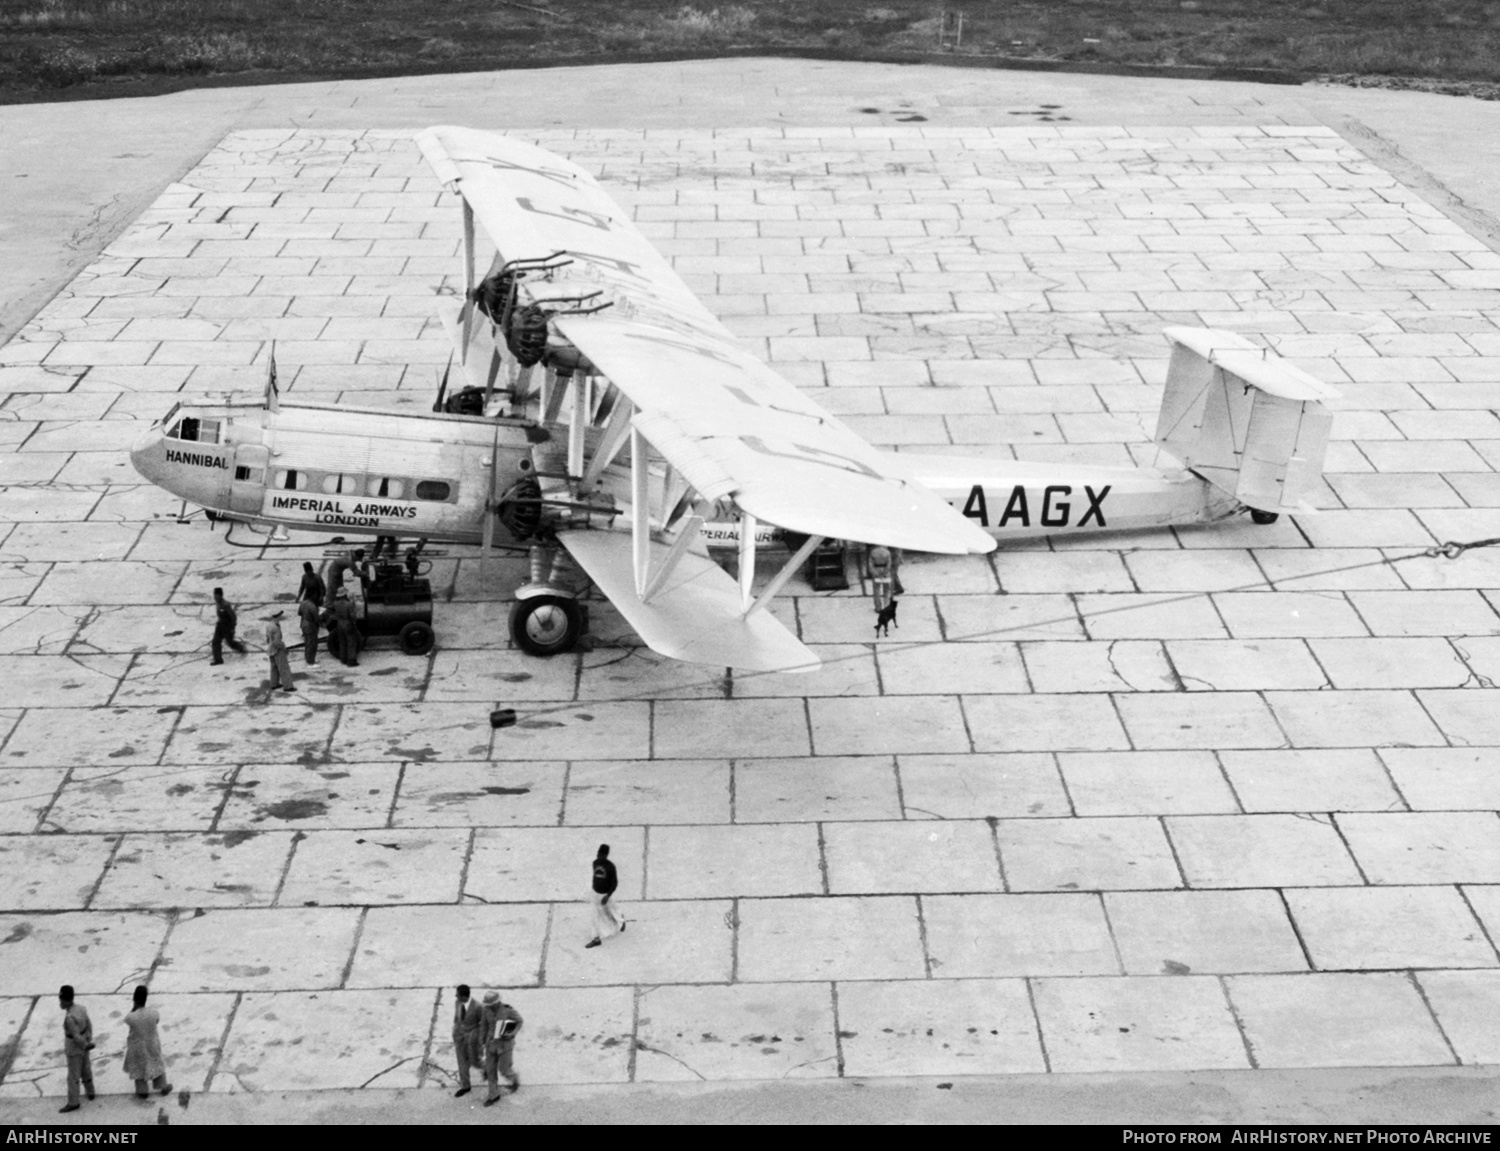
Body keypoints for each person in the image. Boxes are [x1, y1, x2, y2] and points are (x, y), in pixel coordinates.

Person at [122, 985, 172, 1101]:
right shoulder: (153, 1012)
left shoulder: (131, 1017)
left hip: (137, 1046)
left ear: (134, 998)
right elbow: (157, 1021)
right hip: (152, 1044)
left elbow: (128, 1020)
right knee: (156, 1064)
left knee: (139, 1068)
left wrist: (134, 1007)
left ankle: (142, 1091)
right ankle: (163, 1087)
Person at [480, 991, 522, 1106]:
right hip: (491, 1045)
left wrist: (513, 1033)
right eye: (488, 1005)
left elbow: (519, 1021)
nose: (490, 1006)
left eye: (491, 1004)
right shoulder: (486, 1011)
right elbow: (484, 1026)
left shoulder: (508, 1010)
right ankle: (493, 1095)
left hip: (505, 1045)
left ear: (497, 1002)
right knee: (490, 1071)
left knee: (504, 1070)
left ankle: (514, 1079)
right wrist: (482, 1041)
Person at [57, 985, 94, 1114]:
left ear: (64, 1000)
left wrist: (84, 1044)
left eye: (60, 1000)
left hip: (74, 1049)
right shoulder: (82, 1009)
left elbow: (76, 1036)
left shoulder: (69, 1018)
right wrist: (88, 1040)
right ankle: (90, 1091)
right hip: (85, 1044)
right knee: (86, 1070)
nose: (60, 1003)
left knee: (73, 1076)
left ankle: (73, 1102)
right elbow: (89, 1025)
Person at [584, 843, 625, 949]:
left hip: (605, 895)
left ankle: (620, 920)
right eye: (598, 853)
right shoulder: (595, 863)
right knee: (594, 916)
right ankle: (596, 939)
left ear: (606, 855)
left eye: (601, 854)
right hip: (595, 894)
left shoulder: (611, 867)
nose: (599, 856)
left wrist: (607, 896)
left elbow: (614, 883)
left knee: (611, 910)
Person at [451, 984, 483, 1098]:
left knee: (475, 1060)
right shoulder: (458, 1003)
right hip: (460, 1038)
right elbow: (457, 1018)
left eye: (458, 995)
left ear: (464, 997)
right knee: (462, 1062)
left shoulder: (478, 1007)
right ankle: (465, 1086)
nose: (456, 996)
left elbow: (483, 1024)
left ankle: (485, 1071)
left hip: (472, 1039)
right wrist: (455, 1030)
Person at [210, 587, 246, 666]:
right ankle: (218, 659)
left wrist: (232, 628)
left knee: (230, 642)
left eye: (216, 595)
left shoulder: (226, 605)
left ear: (220, 595)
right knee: (215, 642)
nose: (215, 597)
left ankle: (241, 648)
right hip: (220, 625)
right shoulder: (218, 603)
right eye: (214, 595)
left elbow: (233, 617)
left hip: (227, 626)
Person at [264, 611, 295, 693]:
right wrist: (284, 649)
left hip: (270, 648)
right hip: (277, 649)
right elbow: (277, 642)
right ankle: (288, 686)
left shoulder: (269, 625)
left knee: (274, 667)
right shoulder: (276, 627)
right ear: (278, 616)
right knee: (284, 667)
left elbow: (267, 638)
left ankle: (274, 684)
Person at [329, 588, 360, 667]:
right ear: (345, 595)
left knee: (342, 642)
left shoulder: (335, 603)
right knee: (351, 642)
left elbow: (331, 609)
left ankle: (343, 659)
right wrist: (354, 623)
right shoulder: (348, 604)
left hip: (339, 624)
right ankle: (351, 661)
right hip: (347, 624)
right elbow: (353, 616)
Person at [298, 596, 321, 665]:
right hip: (310, 626)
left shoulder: (303, 603)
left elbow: (299, 613)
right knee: (312, 644)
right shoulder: (313, 606)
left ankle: (308, 658)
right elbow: (316, 619)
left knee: (307, 642)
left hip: (303, 624)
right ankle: (311, 662)